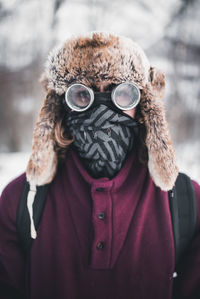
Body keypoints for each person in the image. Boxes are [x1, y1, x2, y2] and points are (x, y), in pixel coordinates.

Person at [0, 32, 200, 299]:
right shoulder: (19, 203)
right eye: (81, 95)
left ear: (144, 105)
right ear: (61, 106)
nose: (102, 109)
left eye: (123, 93)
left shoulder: (188, 204)